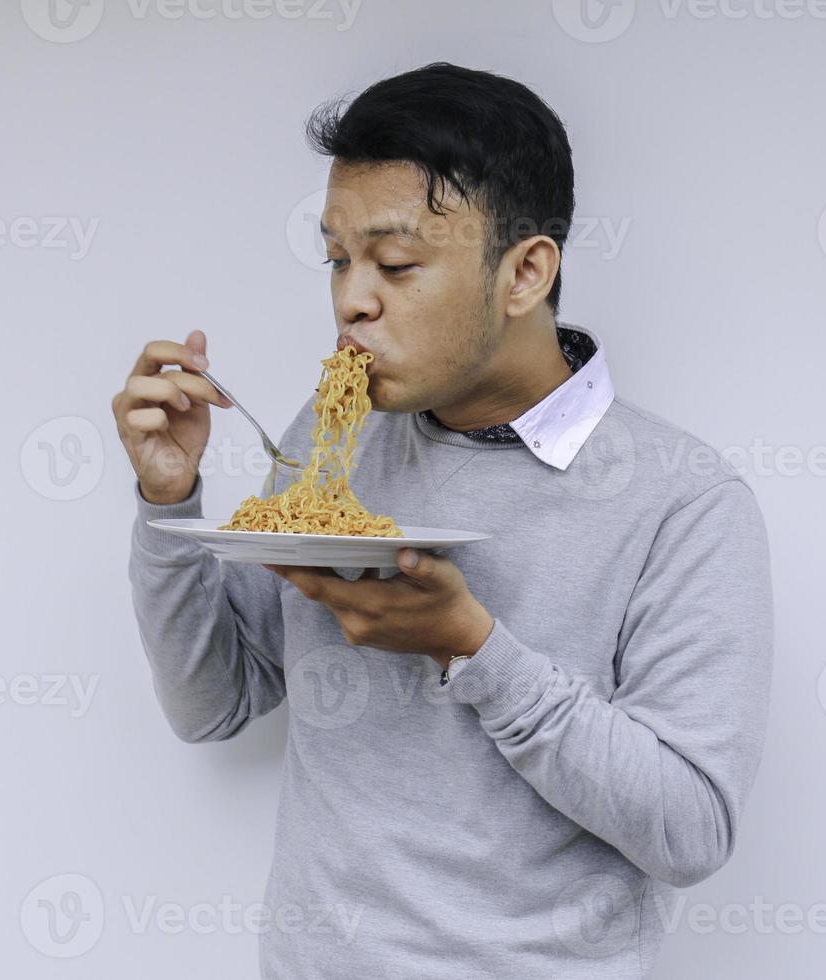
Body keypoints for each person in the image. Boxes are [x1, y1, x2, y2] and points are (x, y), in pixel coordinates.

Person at [111, 62, 773, 979]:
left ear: (525, 273)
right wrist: (166, 498)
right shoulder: (333, 438)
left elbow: (690, 830)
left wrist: (472, 648)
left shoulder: (684, 503)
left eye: (396, 263)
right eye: (338, 259)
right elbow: (214, 704)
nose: (352, 299)